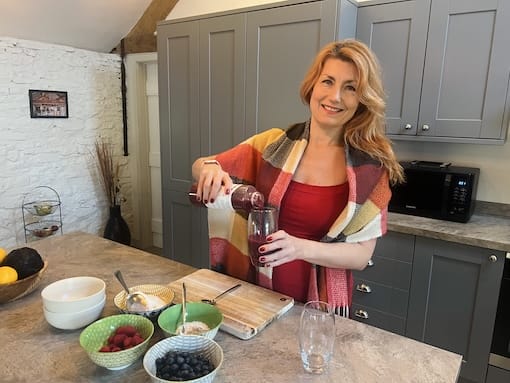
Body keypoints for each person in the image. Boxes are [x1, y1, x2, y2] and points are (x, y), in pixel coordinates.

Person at [191, 39, 404, 316]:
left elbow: (362, 255)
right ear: (313, 85)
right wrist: (209, 167)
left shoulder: (370, 171)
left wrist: (299, 248)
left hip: (320, 304)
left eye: (350, 87)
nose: (335, 96)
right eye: (328, 81)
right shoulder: (273, 145)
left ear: (362, 99)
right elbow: (200, 165)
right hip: (255, 291)